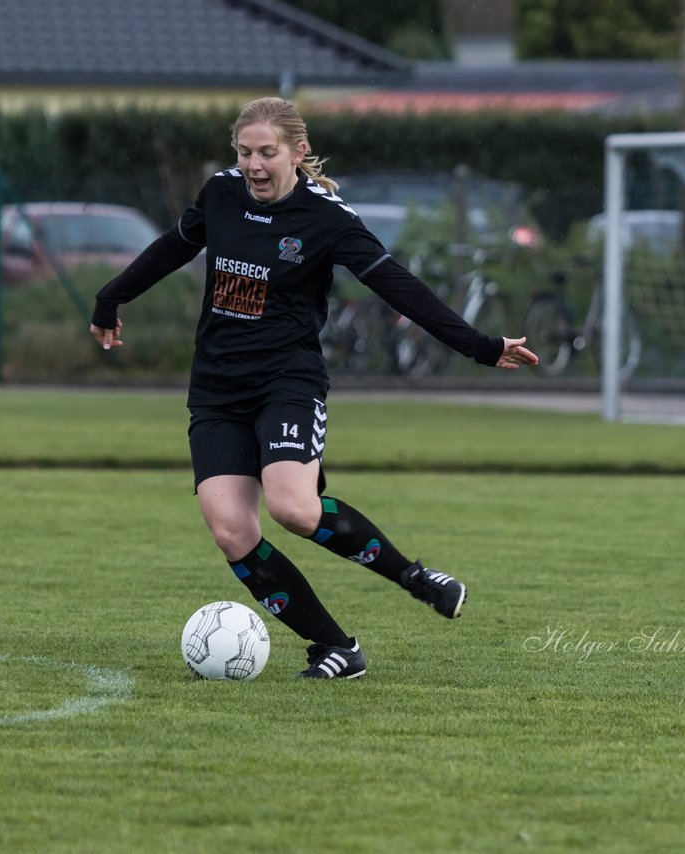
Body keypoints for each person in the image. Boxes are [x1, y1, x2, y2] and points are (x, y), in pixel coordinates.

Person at [90, 96, 537, 679]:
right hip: (217, 389)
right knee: (231, 530)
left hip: (288, 382)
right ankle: (335, 647)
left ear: (297, 154)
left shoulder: (327, 219)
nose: (253, 164)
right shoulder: (222, 194)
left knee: (294, 509)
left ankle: (414, 577)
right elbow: (176, 244)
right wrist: (112, 295)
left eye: (266, 153)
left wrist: (477, 345)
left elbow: (396, 285)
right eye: (245, 152)